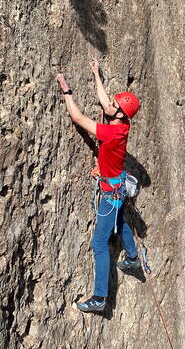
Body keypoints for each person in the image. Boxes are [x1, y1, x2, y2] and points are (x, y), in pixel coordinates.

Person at [56, 60, 141, 313]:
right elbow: (107, 104)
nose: (110, 104)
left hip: (110, 192)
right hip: (118, 186)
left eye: (115, 105)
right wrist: (96, 75)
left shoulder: (112, 133)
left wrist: (66, 91)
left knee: (99, 243)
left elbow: (78, 117)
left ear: (120, 114)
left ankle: (100, 297)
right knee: (121, 221)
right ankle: (134, 258)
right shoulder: (122, 123)